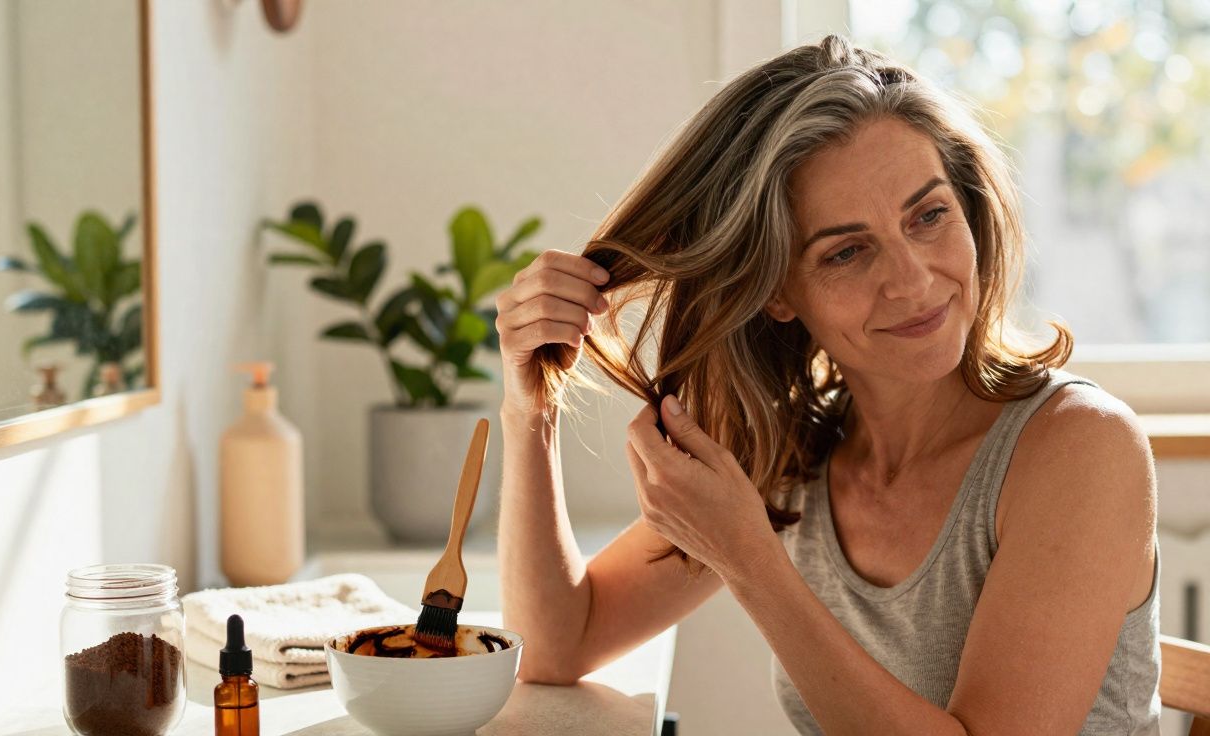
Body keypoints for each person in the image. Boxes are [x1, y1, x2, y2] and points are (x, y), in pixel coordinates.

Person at [493, 33, 1161, 734]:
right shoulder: (792, 454)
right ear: (778, 292)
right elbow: (555, 647)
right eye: (846, 251)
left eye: (928, 216)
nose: (913, 279)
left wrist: (751, 560)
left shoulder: (1083, 447)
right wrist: (529, 408)